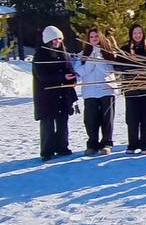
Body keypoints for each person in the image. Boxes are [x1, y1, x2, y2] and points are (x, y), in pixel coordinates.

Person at [32, 26, 77, 160]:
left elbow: (69, 71)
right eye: (54, 39)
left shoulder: (64, 54)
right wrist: (62, 78)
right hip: (46, 96)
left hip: (63, 95)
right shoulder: (40, 55)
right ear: (48, 40)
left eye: (59, 38)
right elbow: (42, 77)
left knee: (63, 122)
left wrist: (72, 79)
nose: (57, 41)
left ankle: (62, 147)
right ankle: (47, 150)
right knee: (48, 124)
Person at [72, 28, 117, 155]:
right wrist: (91, 62)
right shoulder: (82, 55)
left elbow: (110, 70)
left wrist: (99, 60)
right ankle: (92, 144)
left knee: (107, 118)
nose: (94, 39)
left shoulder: (108, 53)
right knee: (90, 119)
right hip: (90, 91)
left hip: (106, 89)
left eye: (96, 36)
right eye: (91, 37)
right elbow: (79, 72)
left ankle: (106, 143)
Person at [121, 23, 146, 153]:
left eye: (140, 33)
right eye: (135, 33)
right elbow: (118, 67)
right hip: (131, 89)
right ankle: (132, 144)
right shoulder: (124, 49)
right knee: (132, 119)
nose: (137, 35)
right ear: (131, 34)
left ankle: (145, 145)